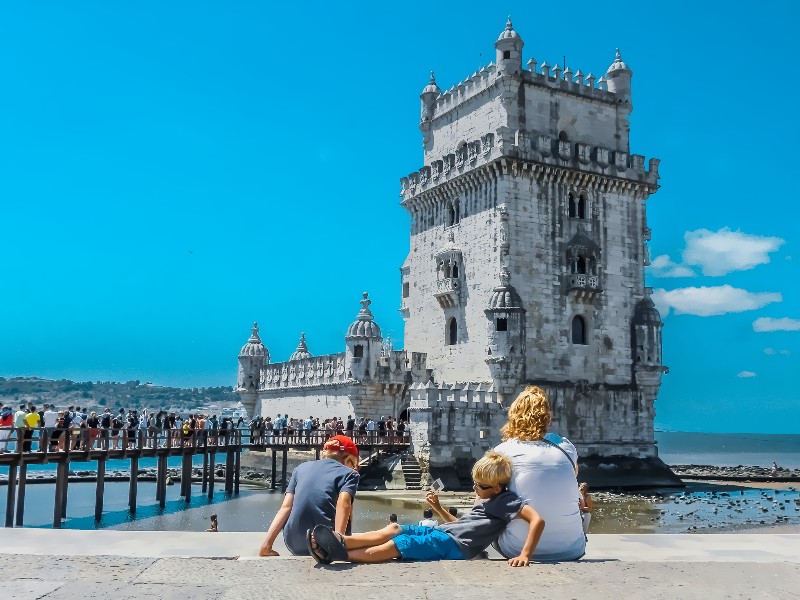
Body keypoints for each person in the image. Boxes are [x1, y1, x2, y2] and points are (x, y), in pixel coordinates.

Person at [308, 450, 544, 567]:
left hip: (454, 547)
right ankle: (340, 540)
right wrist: (439, 508)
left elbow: (537, 520)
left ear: (497, 487)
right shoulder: (486, 499)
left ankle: (340, 555)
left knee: (400, 545)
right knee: (394, 528)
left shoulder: (505, 501)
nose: (474, 488)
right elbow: (461, 526)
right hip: (445, 534)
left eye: (480, 486)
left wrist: (525, 554)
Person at [494, 385, 585, 561]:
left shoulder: (502, 451)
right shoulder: (567, 448)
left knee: (491, 493)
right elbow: (569, 479)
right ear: (547, 418)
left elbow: (482, 503)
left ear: (512, 416)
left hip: (515, 549)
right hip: (573, 549)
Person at [259, 435, 360, 557]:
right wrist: (337, 541)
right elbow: (343, 504)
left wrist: (267, 544)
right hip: (324, 544)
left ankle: (266, 547)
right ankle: (336, 542)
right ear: (347, 458)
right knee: (348, 502)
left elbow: (286, 507)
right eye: (353, 463)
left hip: (294, 543)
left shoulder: (300, 469)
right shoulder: (349, 474)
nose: (354, 468)